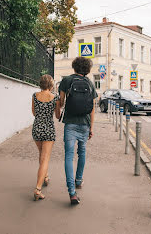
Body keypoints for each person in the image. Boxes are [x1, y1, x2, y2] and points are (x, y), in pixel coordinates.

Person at [59, 57, 98, 205]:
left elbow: (61, 103)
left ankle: (72, 193)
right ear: (87, 69)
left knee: (69, 156)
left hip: (70, 123)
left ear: (74, 67)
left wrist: (60, 103)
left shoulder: (67, 80)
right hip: (85, 124)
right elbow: (93, 109)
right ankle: (79, 180)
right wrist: (91, 128)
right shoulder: (90, 83)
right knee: (82, 152)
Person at [31, 74, 61, 201]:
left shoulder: (34, 96)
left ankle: (46, 176)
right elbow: (58, 116)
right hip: (48, 129)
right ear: (51, 84)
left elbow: (34, 113)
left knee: (41, 155)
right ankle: (38, 189)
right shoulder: (55, 98)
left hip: (37, 128)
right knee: (45, 159)